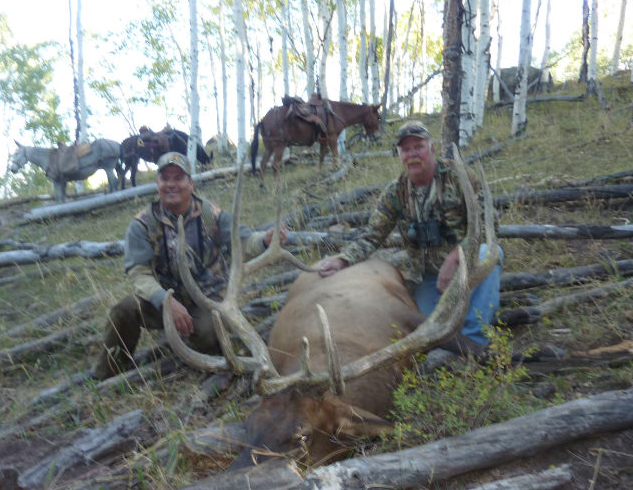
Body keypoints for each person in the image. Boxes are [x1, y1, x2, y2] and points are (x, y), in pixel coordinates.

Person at [314, 120, 502, 357]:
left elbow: (489, 225)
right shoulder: (396, 193)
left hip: (466, 266)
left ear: (431, 148)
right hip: (430, 279)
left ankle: (474, 342)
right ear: (400, 154)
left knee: (489, 253)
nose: (412, 154)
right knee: (428, 334)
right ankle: (461, 333)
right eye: (406, 149)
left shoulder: (460, 178)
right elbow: (372, 236)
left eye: (418, 147)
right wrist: (342, 259)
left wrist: (456, 256)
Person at [94, 151, 287, 379]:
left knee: (207, 335)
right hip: (162, 301)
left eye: (178, 178)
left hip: (207, 299)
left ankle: (192, 344)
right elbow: (139, 273)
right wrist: (166, 301)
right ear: (157, 184)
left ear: (190, 183)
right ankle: (107, 373)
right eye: (165, 178)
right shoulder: (143, 224)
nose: (171, 184)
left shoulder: (212, 216)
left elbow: (243, 242)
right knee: (123, 310)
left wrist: (265, 240)